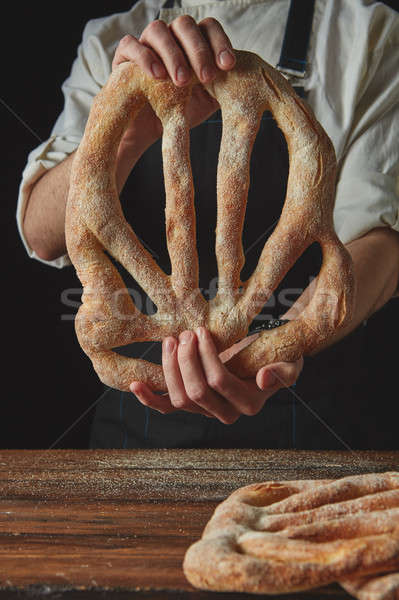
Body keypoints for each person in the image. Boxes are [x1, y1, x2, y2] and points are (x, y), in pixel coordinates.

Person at [17, 0, 399, 449]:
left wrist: (281, 343)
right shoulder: (111, 40)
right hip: (135, 436)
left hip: (312, 428)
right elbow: (41, 232)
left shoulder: (363, 32)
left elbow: (382, 241)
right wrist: (133, 132)